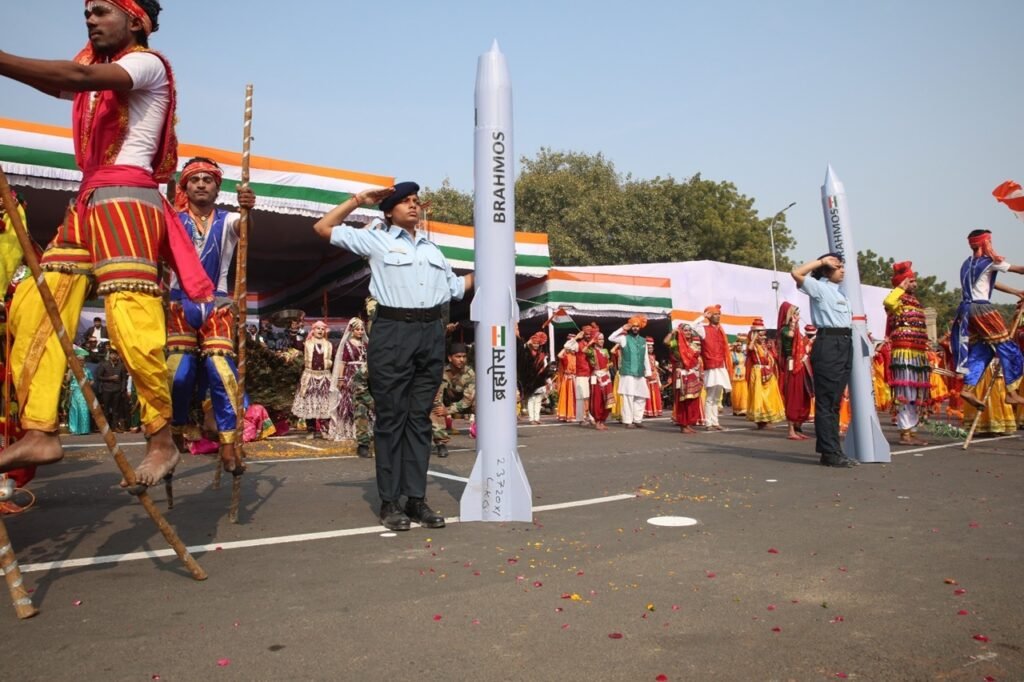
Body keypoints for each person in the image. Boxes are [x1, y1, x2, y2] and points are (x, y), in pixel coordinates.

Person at [0, 0, 216, 487]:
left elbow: (72, 81)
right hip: (89, 199)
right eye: (87, 13)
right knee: (37, 300)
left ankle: (161, 439)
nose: (90, 19)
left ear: (135, 20)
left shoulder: (145, 63)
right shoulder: (93, 68)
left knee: (129, 319)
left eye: (101, 11)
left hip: (127, 199)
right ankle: (40, 430)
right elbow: (61, 81)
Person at [314, 182, 472, 531]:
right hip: (393, 331)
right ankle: (389, 502)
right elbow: (323, 228)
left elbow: (456, 289)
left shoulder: (433, 250)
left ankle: (416, 500)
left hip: (431, 334)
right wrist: (358, 200)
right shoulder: (377, 239)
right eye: (405, 202)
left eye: (417, 202)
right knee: (391, 419)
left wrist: (493, 265)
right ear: (389, 211)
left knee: (419, 419)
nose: (414, 207)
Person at [167, 156, 257, 473]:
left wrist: (248, 208)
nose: (202, 184)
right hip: (179, 303)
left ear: (218, 188)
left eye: (208, 180)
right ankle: (176, 430)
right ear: (185, 187)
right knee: (178, 374)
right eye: (195, 180)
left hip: (217, 304)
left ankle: (228, 445)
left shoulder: (229, 220)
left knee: (223, 372)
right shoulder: (172, 220)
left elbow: (245, 228)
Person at [792, 254, 856, 468]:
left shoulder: (840, 291)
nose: (842, 270)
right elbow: (796, 273)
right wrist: (821, 263)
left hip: (845, 342)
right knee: (827, 402)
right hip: (829, 343)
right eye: (838, 267)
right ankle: (830, 453)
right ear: (827, 269)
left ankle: (832, 450)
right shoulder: (819, 286)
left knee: (835, 401)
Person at [950, 229, 1024, 411]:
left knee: (983, 350)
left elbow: (989, 282)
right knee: (1009, 348)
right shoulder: (989, 262)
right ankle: (1011, 392)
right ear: (985, 243)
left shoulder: (967, 264)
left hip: (966, 312)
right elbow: (1020, 270)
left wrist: (1015, 292)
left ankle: (968, 389)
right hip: (983, 309)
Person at [882, 260, 933, 445]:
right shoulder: (897, 299)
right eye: (911, 281)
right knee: (906, 392)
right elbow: (888, 301)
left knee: (916, 392)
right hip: (904, 353)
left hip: (917, 354)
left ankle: (911, 430)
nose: (915, 284)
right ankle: (905, 432)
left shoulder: (914, 301)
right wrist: (901, 287)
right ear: (903, 282)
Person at [326, 318, 370, 453]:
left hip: (365, 374)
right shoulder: (347, 345)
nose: (360, 331)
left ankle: (365, 430)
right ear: (351, 330)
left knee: (366, 402)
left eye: (362, 329)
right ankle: (350, 429)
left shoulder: (365, 344)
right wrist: (340, 378)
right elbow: (342, 362)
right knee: (350, 402)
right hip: (351, 375)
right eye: (357, 329)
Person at [431, 342, 476, 458]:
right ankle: (440, 443)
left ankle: (489, 440)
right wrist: (441, 407)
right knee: (435, 406)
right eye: (458, 356)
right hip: (447, 401)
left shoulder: (470, 373)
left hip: (466, 403)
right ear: (450, 358)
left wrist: (448, 411)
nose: (461, 360)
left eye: (464, 356)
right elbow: (437, 393)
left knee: (483, 406)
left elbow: (468, 400)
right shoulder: (442, 372)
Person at [692, 305, 733, 431]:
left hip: (721, 366)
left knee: (717, 397)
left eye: (719, 314)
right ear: (709, 316)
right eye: (715, 314)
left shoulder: (721, 330)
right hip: (711, 366)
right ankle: (708, 423)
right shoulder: (704, 330)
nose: (718, 316)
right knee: (710, 397)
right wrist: (703, 316)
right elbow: (692, 326)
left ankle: (715, 422)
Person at [777, 302, 812, 440]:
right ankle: (791, 430)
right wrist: (793, 323)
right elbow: (790, 335)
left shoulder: (796, 330)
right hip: (792, 365)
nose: (797, 315)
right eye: (794, 313)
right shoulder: (784, 330)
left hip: (801, 364)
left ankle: (798, 427)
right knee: (793, 395)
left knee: (803, 395)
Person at [608, 316, 652, 428]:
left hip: (640, 372)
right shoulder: (624, 338)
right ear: (630, 327)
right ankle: (628, 421)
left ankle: (637, 419)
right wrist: (622, 328)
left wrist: (648, 372)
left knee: (642, 396)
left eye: (637, 326)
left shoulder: (643, 341)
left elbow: (645, 357)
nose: (635, 328)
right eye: (633, 326)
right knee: (629, 396)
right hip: (627, 372)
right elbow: (610, 337)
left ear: (640, 327)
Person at [292, 321, 333, 438]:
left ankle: (325, 429)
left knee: (325, 403)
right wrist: (294, 331)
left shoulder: (329, 345)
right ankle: (311, 430)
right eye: (318, 329)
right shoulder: (307, 344)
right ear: (313, 330)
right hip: (310, 376)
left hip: (325, 377)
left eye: (322, 329)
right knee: (309, 402)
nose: (320, 331)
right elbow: (295, 344)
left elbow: (334, 360)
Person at [745, 318, 785, 429]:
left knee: (770, 396)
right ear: (754, 334)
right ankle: (761, 421)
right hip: (758, 373)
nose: (763, 338)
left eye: (764, 336)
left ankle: (767, 419)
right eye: (760, 335)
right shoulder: (753, 346)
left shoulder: (764, 346)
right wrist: (753, 339)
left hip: (768, 373)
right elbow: (749, 348)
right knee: (760, 397)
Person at [665, 323, 703, 434]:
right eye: (685, 330)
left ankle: (688, 423)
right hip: (680, 373)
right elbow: (665, 342)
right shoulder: (675, 344)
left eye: (689, 330)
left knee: (692, 399)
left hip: (692, 373)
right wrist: (673, 332)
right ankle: (683, 425)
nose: (688, 332)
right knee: (682, 399)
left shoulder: (692, 344)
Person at [520, 331, 551, 425]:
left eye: (537, 343)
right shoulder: (526, 352)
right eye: (534, 343)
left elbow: (545, 366)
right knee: (531, 399)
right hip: (529, 378)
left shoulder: (542, 355)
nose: (536, 345)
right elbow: (522, 348)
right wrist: (529, 342)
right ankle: (531, 419)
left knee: (538, 399)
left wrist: (547, 379)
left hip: (539, 378)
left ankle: (536, 418)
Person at [95, 348, 128, 432]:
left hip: (117, 390)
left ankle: (115, 426)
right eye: (112, 354)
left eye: (115, 354)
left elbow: (124, 378)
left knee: (116, 409)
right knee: (106, 409)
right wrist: (110, 378)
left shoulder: (121, 365)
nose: (114, 356)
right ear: (109, 355)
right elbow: (99, 377)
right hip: (107, 389)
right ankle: (105, 427)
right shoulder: (104, 365)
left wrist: (123, 388)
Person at [555, 338, 577, 422]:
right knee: (567, 397)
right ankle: (566, 415)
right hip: (567, 379)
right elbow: (559, 355)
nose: (574, 351)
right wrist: (565, 347)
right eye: (572, 349)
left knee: (574, 398)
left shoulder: (576, 357)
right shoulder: (566, 356)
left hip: (574, 378)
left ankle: (573, 414)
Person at [644, 337, 664, 418]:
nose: (650, 349)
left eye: (652, 348)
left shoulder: (653, 356)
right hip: (647, 377)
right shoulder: (643, 357)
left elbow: (655, 368)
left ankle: (655, 411)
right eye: (648, 348)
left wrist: (659, 381)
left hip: (654, 376)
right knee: (648, 394)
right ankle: (649, 411)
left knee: (655, 394)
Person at [729, 334, 748, 416]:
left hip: (743, 374)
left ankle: (743, 408)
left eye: (741, 345)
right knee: (736, 393)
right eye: (738, 345)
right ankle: (736, 409)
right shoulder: (732, 354)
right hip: (735, 374)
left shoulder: (744, 354)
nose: (739, 347)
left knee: (744, 392)